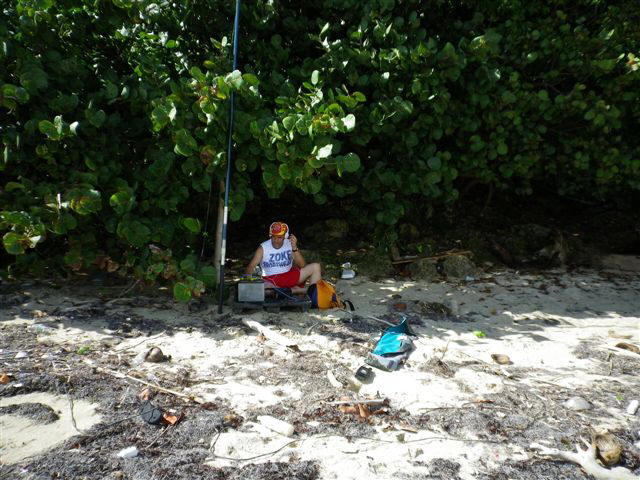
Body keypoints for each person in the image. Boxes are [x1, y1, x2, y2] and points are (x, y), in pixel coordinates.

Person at [245, 221, 321, 294]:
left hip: (289, 276)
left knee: (316, 267)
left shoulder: (289, 244)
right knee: (266, 290)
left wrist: (294, 248)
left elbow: (302, 265)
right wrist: (249, 283)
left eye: (279, 237)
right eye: (273, 237)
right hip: (271, 280)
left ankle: (314, 296)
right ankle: (297, 291)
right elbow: (251, 267)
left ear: (285, 236)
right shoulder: (263, 248)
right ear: (270, 235)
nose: (276, 240)